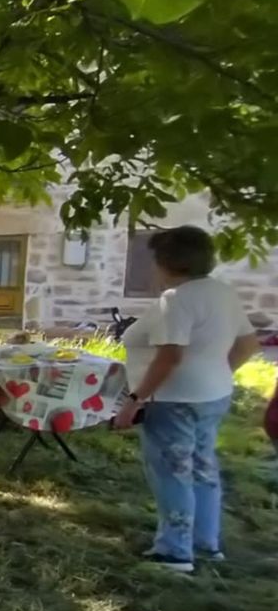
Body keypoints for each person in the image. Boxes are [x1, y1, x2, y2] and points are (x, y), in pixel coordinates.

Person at [113, 226, 261, 573]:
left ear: (167, 262)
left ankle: (174, 552)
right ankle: (205, 543)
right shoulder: (223, 293)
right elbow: (248, 345)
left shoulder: (175, 300)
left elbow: (170, 358)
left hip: (173, 400)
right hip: (213, 394)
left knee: (172, 472)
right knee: (202, 468)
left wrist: (135, 399)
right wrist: (214, 371)